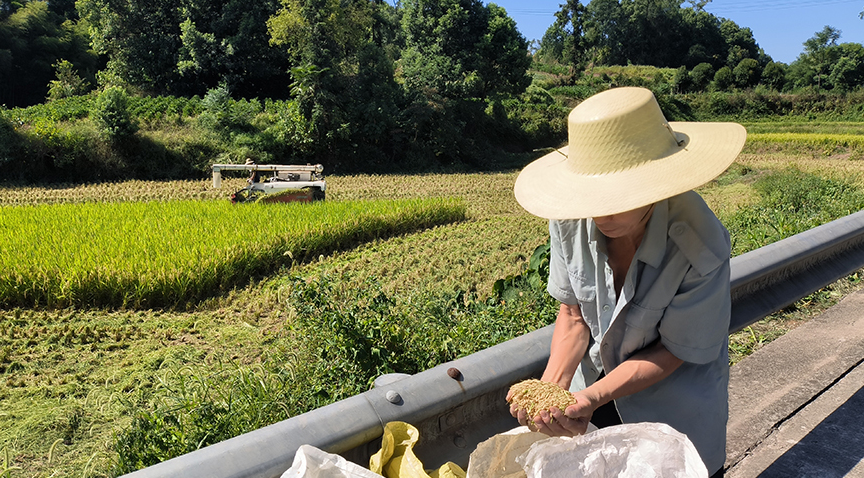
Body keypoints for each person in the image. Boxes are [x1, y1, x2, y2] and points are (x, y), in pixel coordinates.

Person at [509, 87, 746, 478]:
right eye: (591, 195)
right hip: (593, 400)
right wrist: (550, 395)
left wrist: (589, 397)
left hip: (673, 410)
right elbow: (573, 315)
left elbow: (672, 351)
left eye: (616, 196)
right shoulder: (571, 214)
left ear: (656, 183)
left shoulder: (699, 245)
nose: (599, 210)